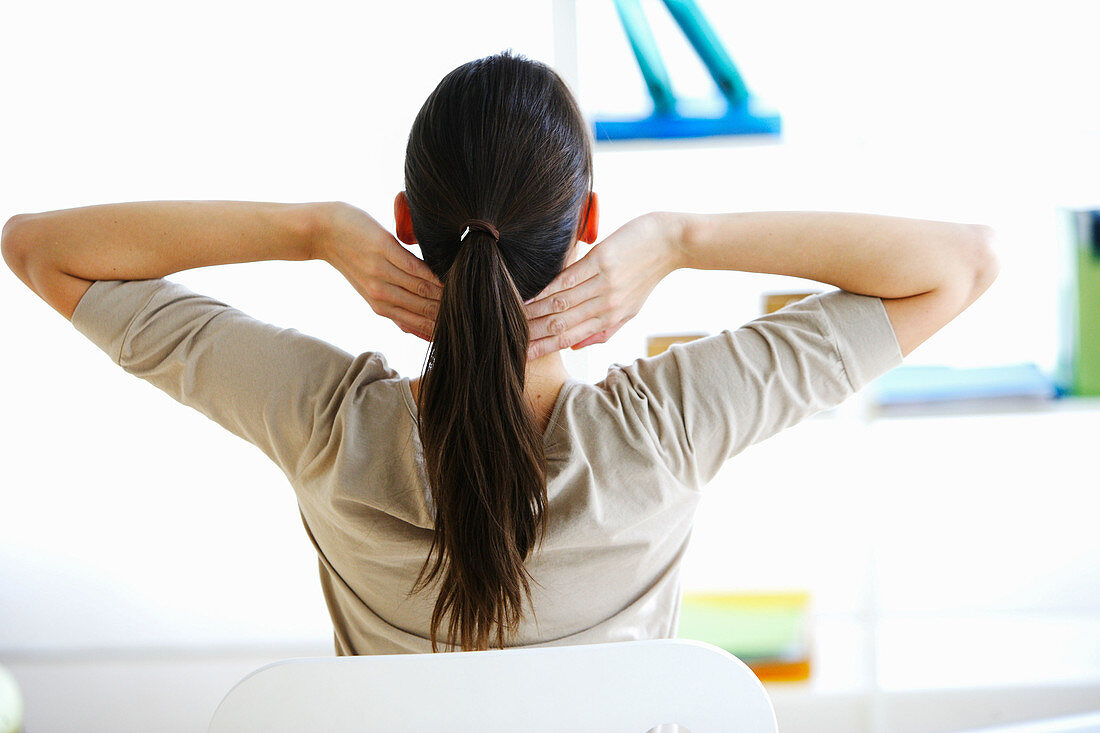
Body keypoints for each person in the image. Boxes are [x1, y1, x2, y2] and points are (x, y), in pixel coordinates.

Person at [1, 50, 999, 655]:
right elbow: (957, 266)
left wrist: (315, 230)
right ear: (586, 222)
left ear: (404, 221)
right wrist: (677, 239)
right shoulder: (665, 431)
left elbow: (41, 251)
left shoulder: (324, 423)